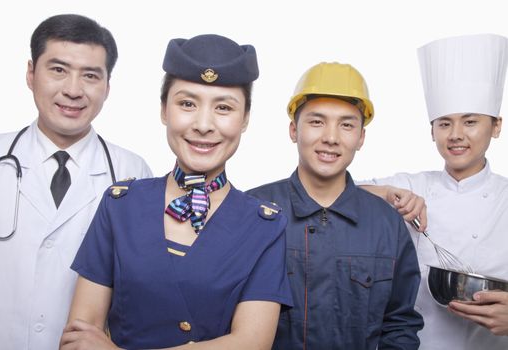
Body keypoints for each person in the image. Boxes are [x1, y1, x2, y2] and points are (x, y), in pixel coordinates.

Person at [60, 34, 293, 350]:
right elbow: (78, 338)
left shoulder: (264, 225)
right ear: (163, 110)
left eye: (224, 107)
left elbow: (252, 343)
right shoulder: (121, 206)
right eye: (187, 103)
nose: (203, 124)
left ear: (245, 120)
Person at [0, 14, 152, 350]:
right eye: (58, 70)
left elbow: (144, 289)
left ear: (107, 86)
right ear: (31, 74)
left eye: (90, 76)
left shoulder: (134, 174)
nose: (73, 90)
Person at [247, 62, 424, 349]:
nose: (331, 137)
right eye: (317, 121)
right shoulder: (252, 211)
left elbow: (400, 325)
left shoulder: (386, 224)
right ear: (294, 130)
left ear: (361, 137)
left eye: (347, 125)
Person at [361, 34, 508, 348]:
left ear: (496, 126)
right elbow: (339, 192)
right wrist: (387, 193)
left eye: (470, 122)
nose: (456, 136)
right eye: (444, 124)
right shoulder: (413, 185)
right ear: (431, 130)